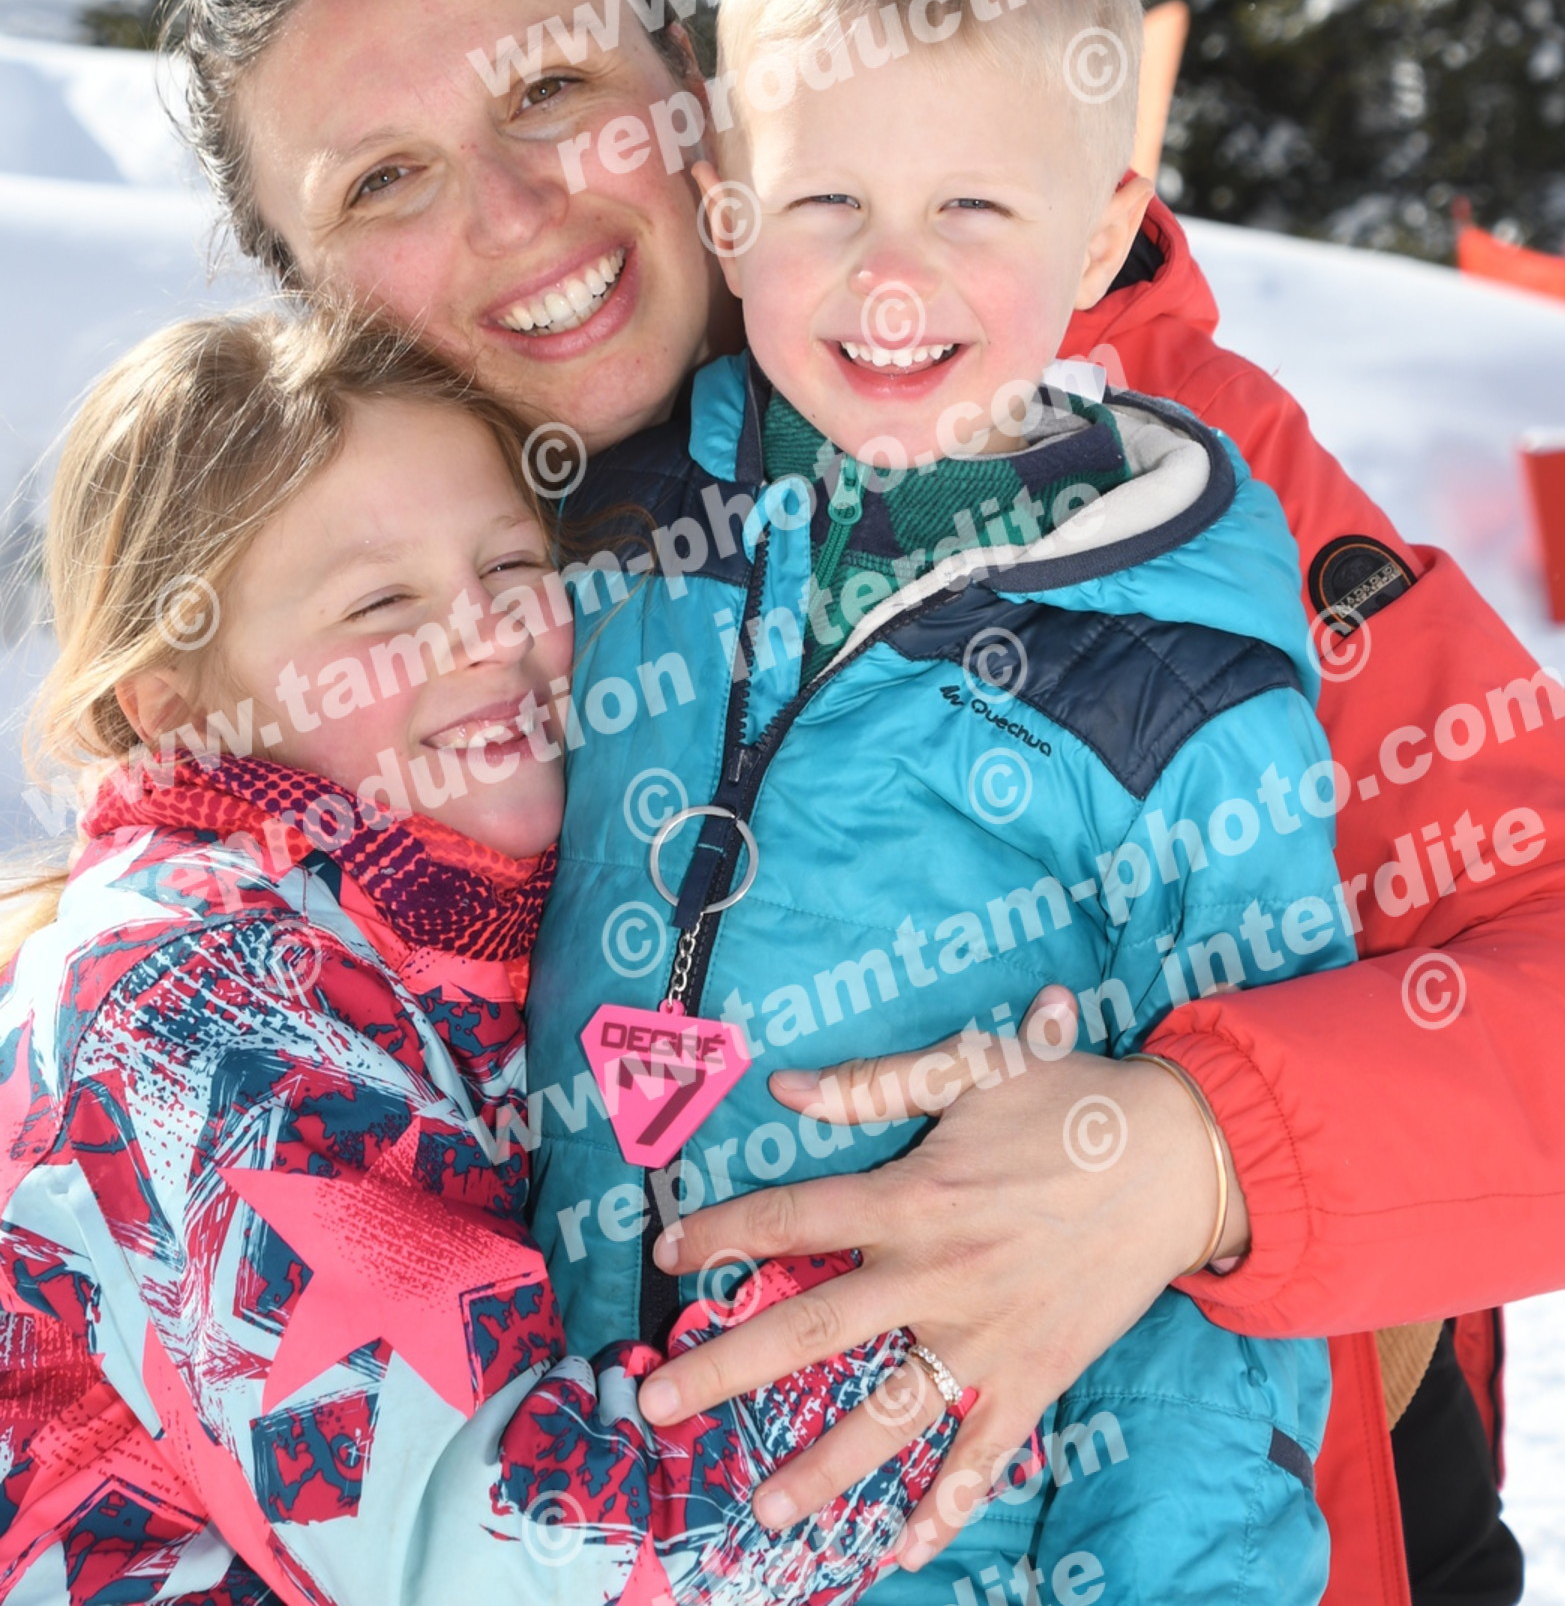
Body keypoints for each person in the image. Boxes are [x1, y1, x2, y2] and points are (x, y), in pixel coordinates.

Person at [162, 0, 1565, 1606]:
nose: (517, 211)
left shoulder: (1147, 487)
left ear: (692, 99)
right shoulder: (348, 598)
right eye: (381, 179)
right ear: (302, 286)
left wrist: (1196, 1155)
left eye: (550, 92)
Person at [529, 0, 1358, 1602]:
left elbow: (1223, 1271)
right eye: (826, 198)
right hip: (571, 1500)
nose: (890, 274)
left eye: (971, 205)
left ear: (1104, 230)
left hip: (939, 1537)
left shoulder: (1183, 666)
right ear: (728, 212)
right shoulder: (617, 525)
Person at [0, 309, 955, 1605]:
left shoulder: (461, 939)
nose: (485, 633)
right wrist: (942, 1312)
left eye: (511, 565)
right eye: (381, 604)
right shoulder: (178, 1010)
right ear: (178, 707)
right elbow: (515, 1558)